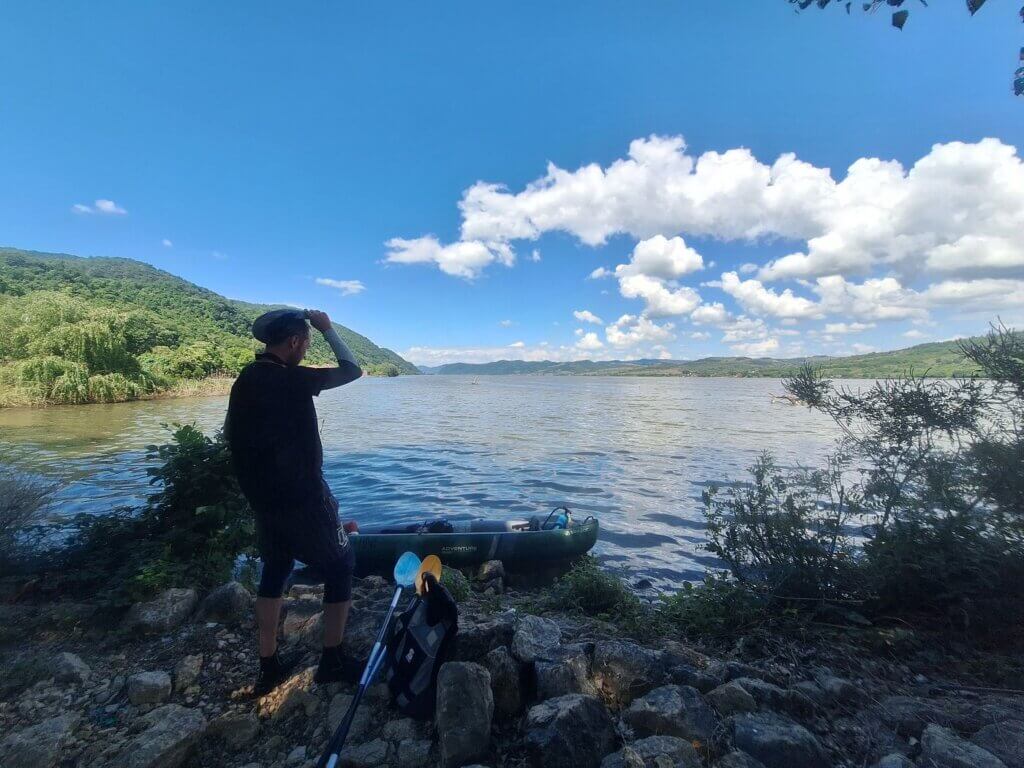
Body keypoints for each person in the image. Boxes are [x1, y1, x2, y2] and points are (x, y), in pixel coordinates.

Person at [224, 307, 363, 695]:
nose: (306, 349)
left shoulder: (245, 380)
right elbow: (351, 369)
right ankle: (332, 660)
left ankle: (268, 665)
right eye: (307, 342)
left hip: (263, 499)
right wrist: (330, 329)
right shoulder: (291, 379)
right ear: (294, 342)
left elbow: (231, 438)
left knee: (275, 569)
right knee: (340, 565)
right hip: (302, 498)